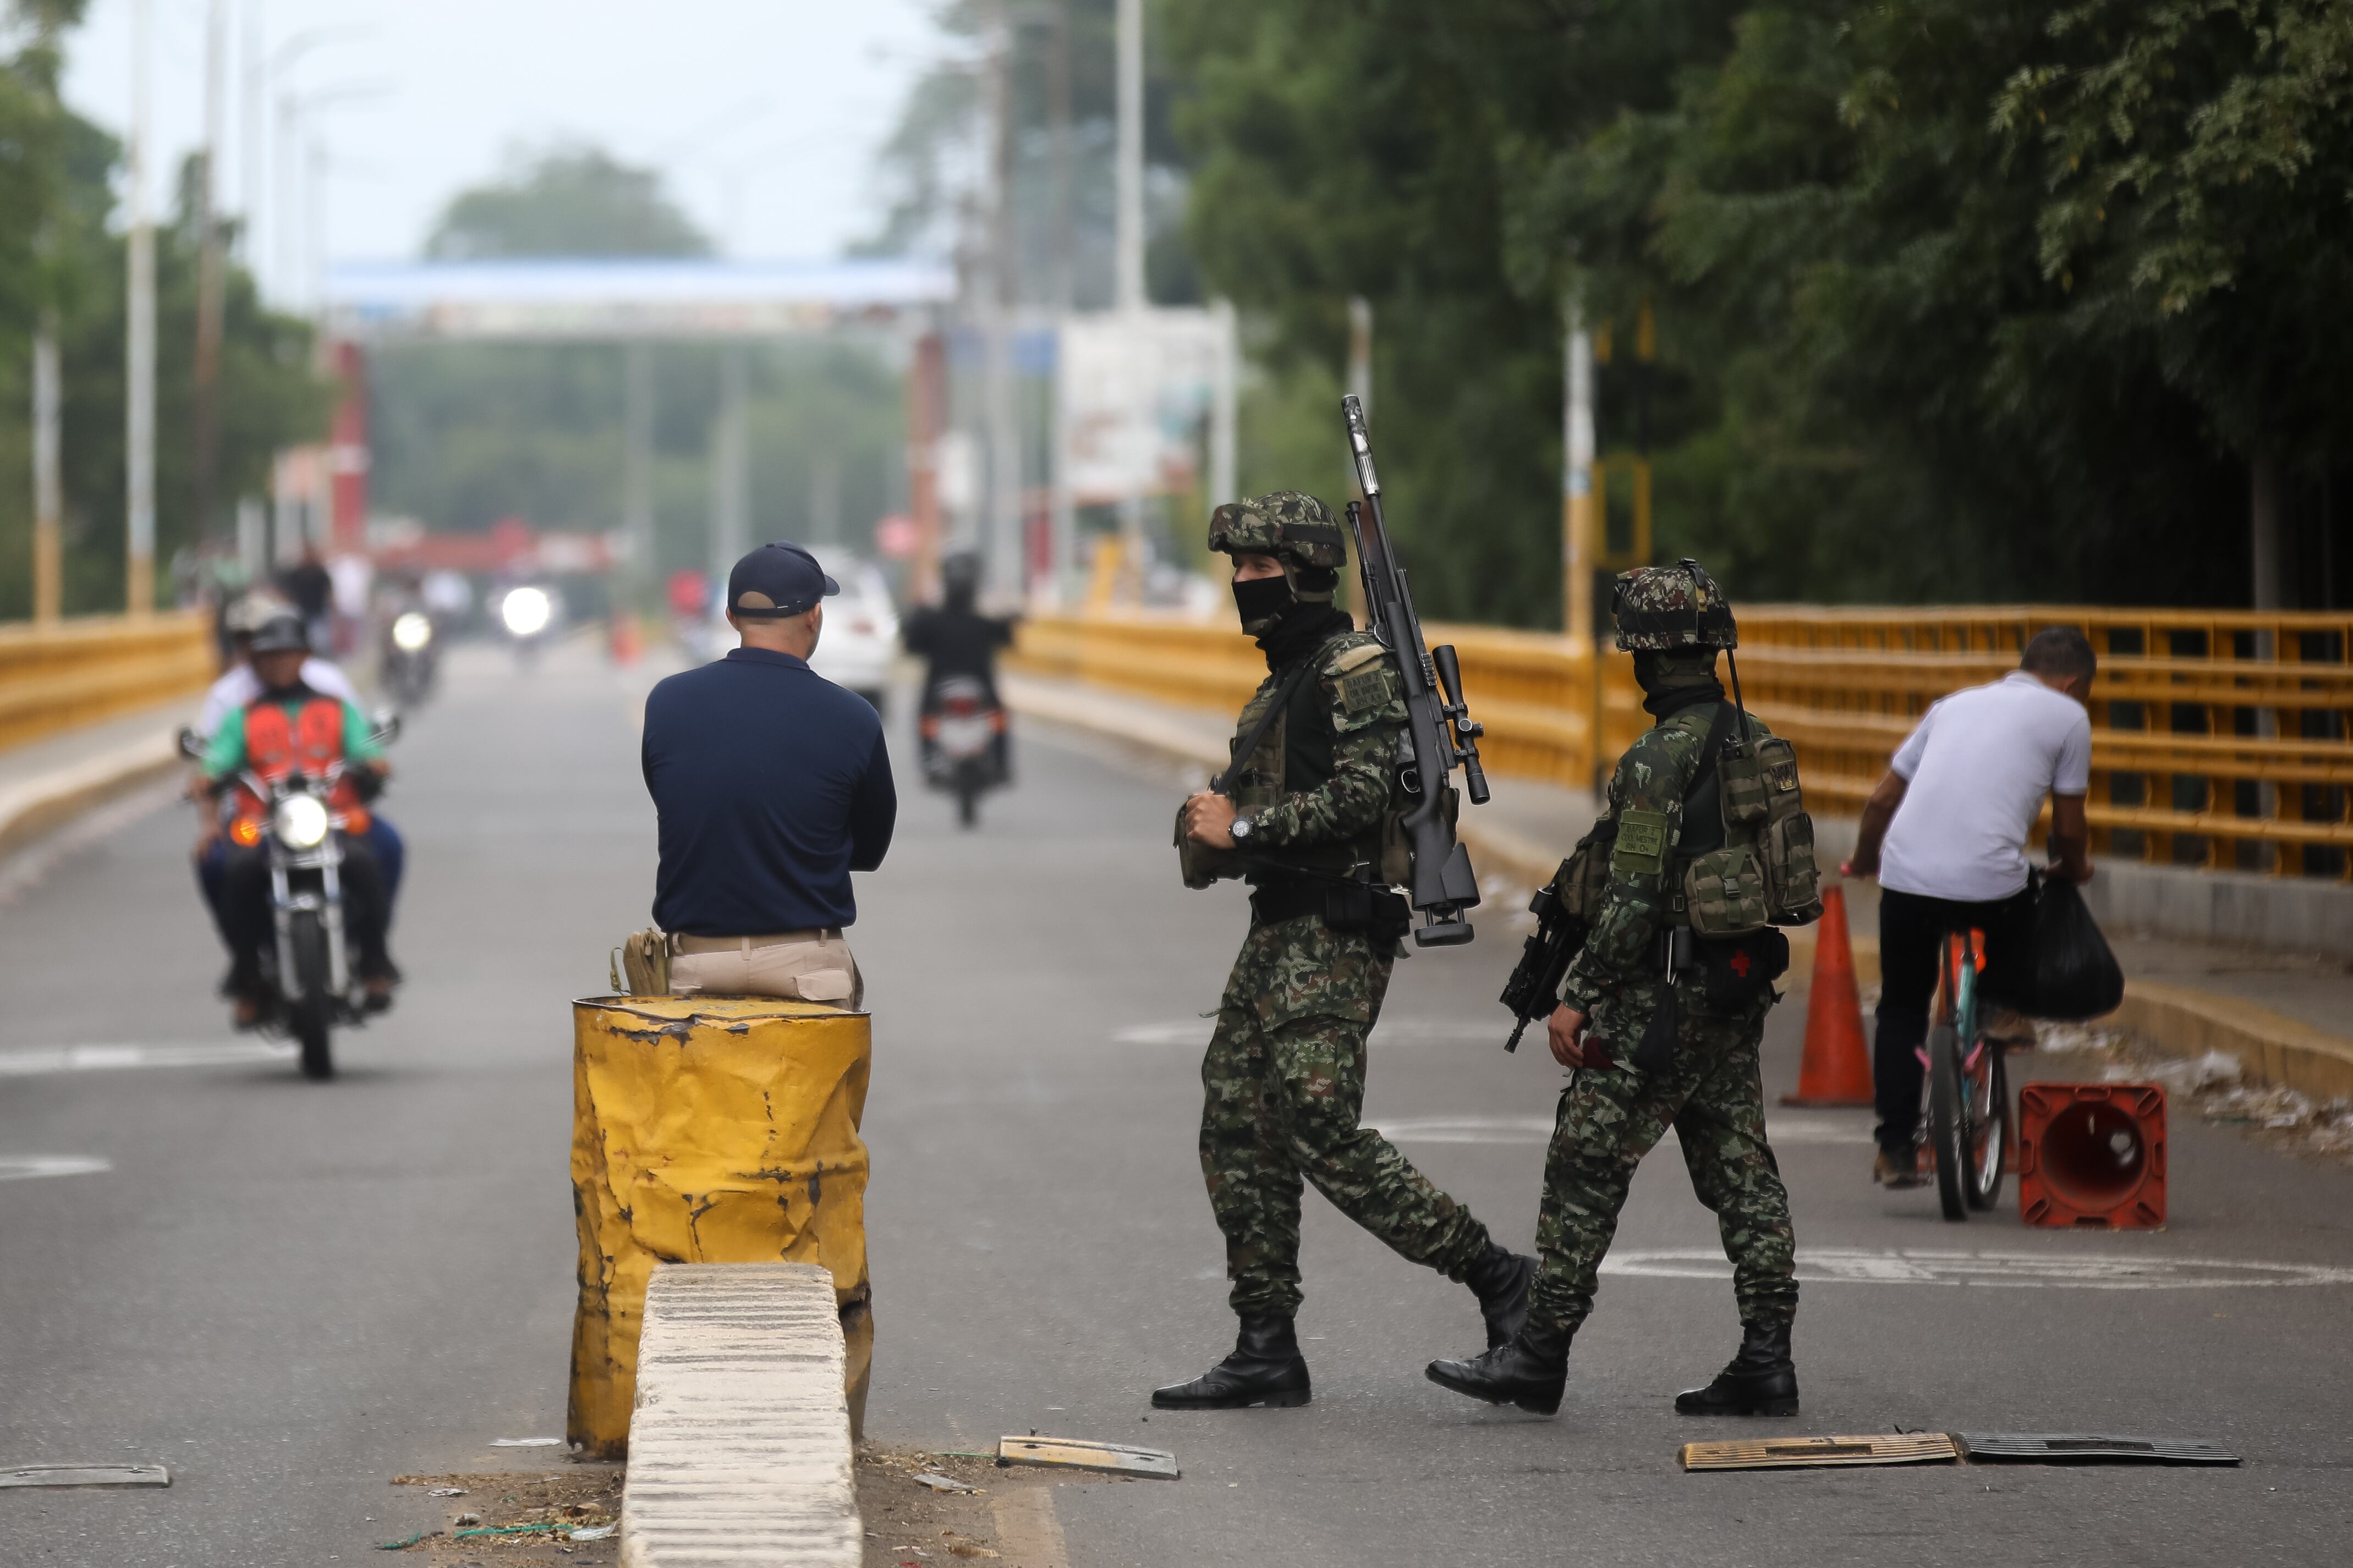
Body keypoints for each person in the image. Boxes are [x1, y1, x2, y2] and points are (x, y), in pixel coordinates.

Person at [1154, 490, 1533, 1412]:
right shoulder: (1285, 680)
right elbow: (1249, 811)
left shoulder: (1351, 668)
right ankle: (1265, 1346)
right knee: (1236, 1127)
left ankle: (1500, 1278)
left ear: (1308, 571)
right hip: (1277, 929)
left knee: (1321, 1132)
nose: (1244, 584)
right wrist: (1216, 831)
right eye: (1237, 570)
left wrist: (1241, 823)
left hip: (1332, 930)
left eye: (1258, 568)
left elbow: (1368, 796)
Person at [1425, 562, 1801, 1420]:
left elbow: (1631, 895)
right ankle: (1767, 1357)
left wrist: (1579, 995)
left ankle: (1538, 1353)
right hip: (1732, 987)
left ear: (1642, 657)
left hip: (1656, 997)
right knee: (1741, 1169)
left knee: (1585, 1163)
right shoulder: (1760, 740)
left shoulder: (1651, 760)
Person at [1840, 626, 2096, 1187]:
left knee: (1901, 1007)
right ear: (2073, 682)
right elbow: (2069, 828)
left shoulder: (1949, 706)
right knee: (2022, 894)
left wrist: (1862, 860)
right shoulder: (2069, 718)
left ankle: (1894, 1151)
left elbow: (1882, 798)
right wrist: (2074, 869)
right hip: (1987, 883)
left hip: (1905, 875)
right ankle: (1998, 1005)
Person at [640, 542, 897, 1002]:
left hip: (696, 970)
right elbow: (870, 847)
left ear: (731, 616)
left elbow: (674, 801)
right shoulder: (854, 717)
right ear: (814, 616)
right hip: (809, 971)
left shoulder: (667, 703)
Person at [197, 615, 398, 1024]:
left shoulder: (336, 709)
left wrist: (374, 765)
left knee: (377, 854)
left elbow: (366, 749)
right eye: (266, 656)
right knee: (233, 870)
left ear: (305, 656)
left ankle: (375, 961)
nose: (276, 664)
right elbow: (214, 762)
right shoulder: (242, 716)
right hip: (265, 826)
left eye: (285, 655)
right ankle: (247, 970)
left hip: (334, 819)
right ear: (254, 661)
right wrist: (208, 784)